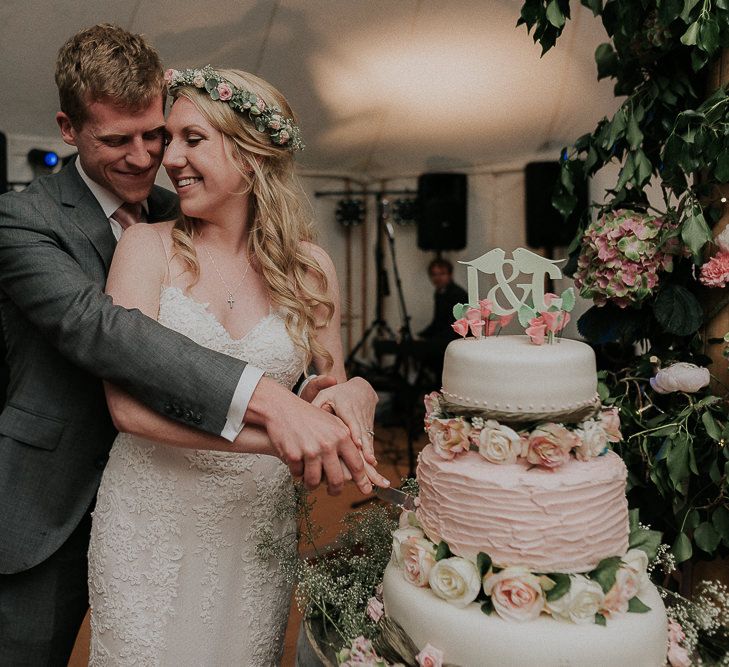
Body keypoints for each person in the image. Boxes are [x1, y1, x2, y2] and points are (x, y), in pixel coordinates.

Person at [0, 25, 386, 665]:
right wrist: (276, 409)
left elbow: (329, 372)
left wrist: (356, 392)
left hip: (241, 516)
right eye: (117, 140)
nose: (150, 156)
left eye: (159, 134)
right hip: (55, 501)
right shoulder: (24, 222)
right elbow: (102, 330)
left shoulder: (175, 208)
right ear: (69, 129)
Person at [88, 64, 360, 664]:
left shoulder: (309, 268)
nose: (169, 159)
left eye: (193, 139)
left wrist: (353, 393)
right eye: (170, 139)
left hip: (255, 525)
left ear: (252, 153)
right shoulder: (145, 248)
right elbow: (126, 409)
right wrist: (278, 441)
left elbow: (326, 383)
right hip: (150, 519)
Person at [417, 258, 468, 383]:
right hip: (445, 336)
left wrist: (432, 339)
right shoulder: (439, 293)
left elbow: (455, 324)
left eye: (442, 274)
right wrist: (421, 335)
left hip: (455, 338)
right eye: (434, 274)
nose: (438, 278)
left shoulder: (457, 294)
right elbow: (437, 321)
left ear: (450, 275)